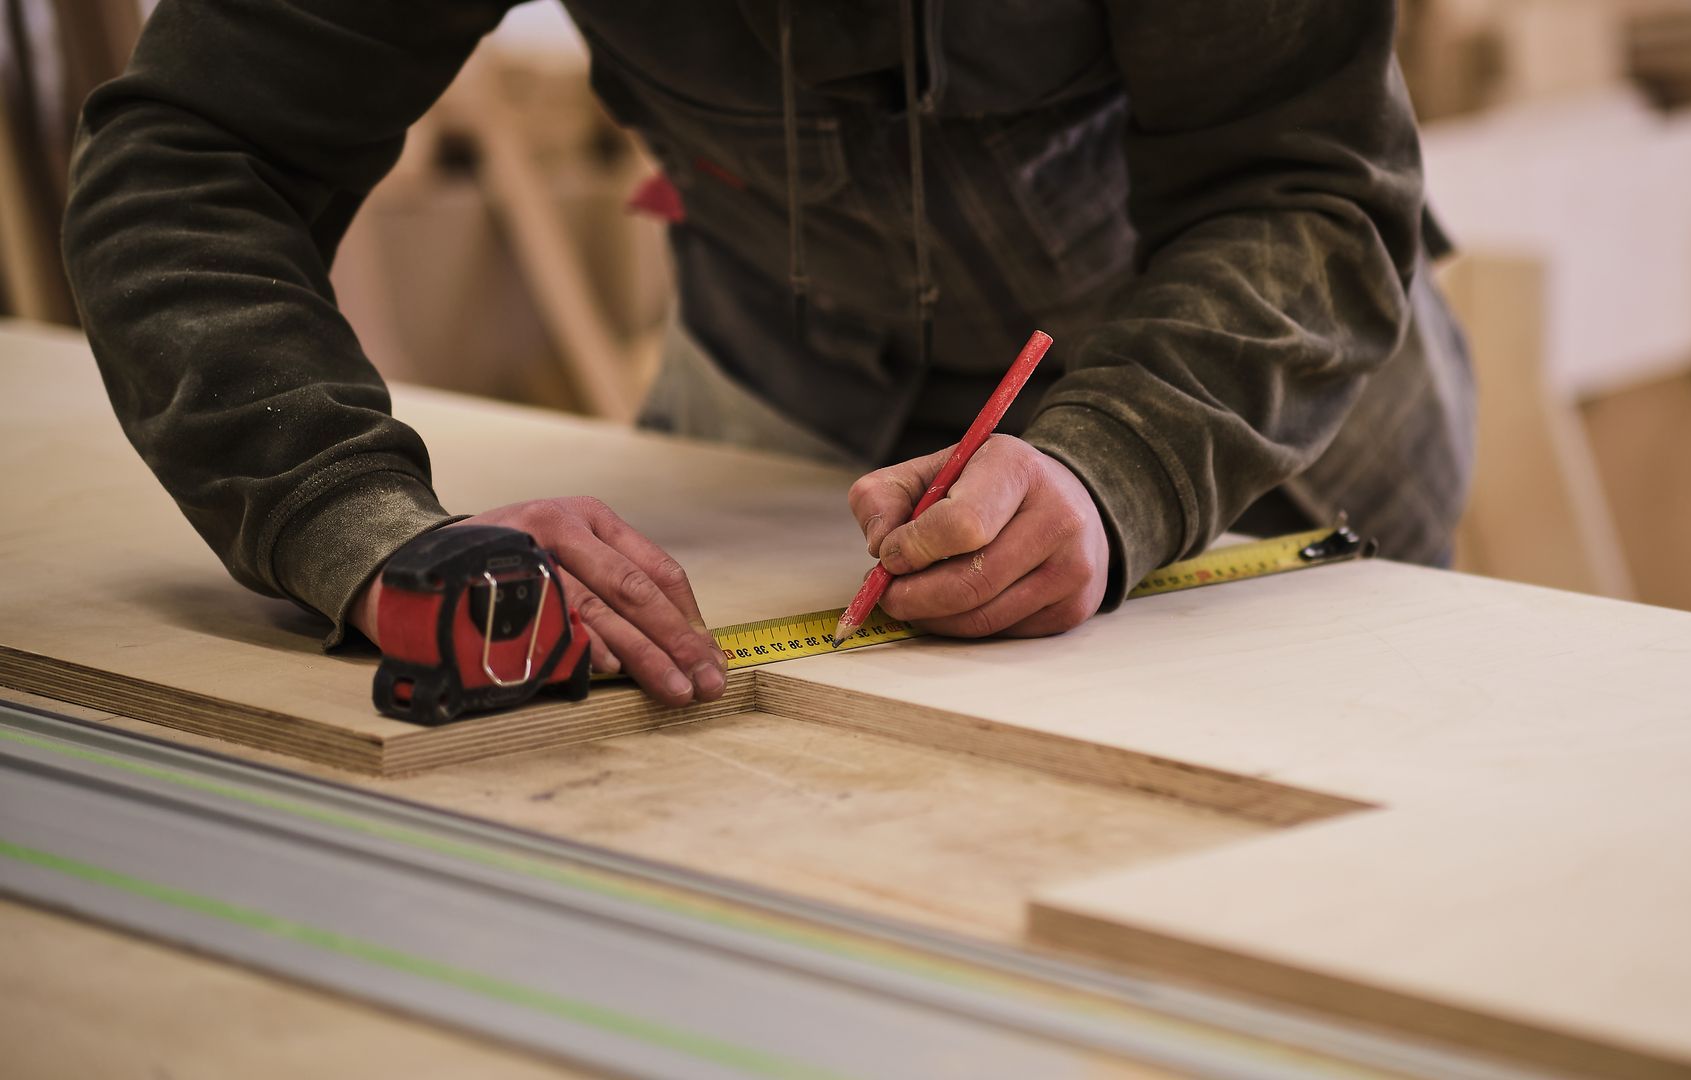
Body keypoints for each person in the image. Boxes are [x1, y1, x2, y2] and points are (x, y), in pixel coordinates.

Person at [63, 0, 1474, 709]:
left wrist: (1117, 475)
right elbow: (199, 158)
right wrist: (356, 525)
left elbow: (1307, 190)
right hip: (771, 402)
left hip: (1248, 411)